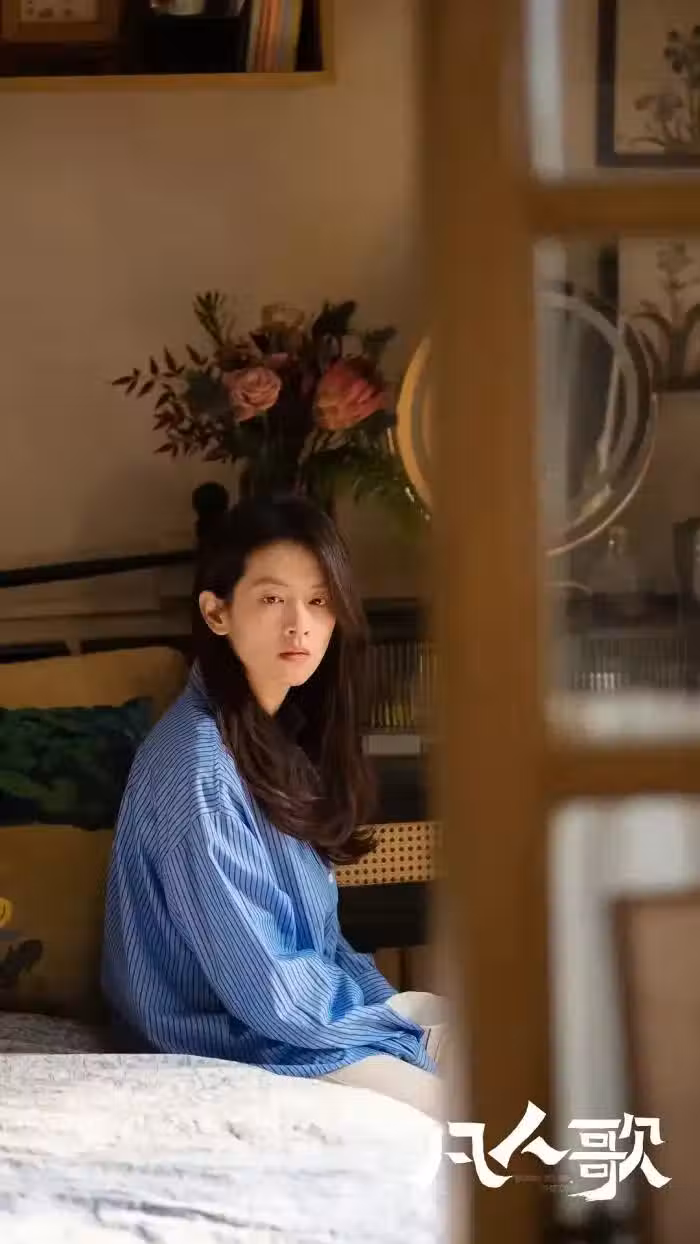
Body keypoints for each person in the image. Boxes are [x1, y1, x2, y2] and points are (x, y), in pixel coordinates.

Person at [101, 494, 447, 1120]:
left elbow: (315, 949)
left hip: (285, 1018)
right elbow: (270, 989)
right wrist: (400, 1035)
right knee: (468, 1111)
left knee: (501, 1043)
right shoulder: (198, 767)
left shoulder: (275, 733)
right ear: (217, 613)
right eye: (270, 599)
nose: (300, 625)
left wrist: (396, 1017)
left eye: (318, 600)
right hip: (228, 1039)